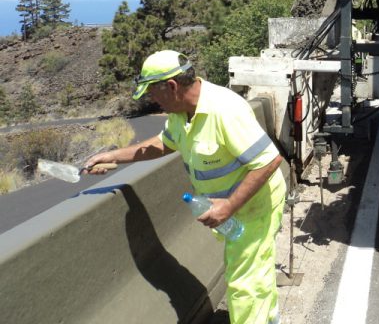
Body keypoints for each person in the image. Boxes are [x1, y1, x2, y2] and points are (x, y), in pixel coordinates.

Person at [85, 50, 286, 324]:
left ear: (171, 86)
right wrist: (113, 156)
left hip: (255, 206)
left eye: (153, 93)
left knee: (245, 286)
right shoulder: (181, 113)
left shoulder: (224, 110)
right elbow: (163, 144)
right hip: (235, 209)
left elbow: (268, 161)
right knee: (256, 272)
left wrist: (228, 206)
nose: (152, 100)